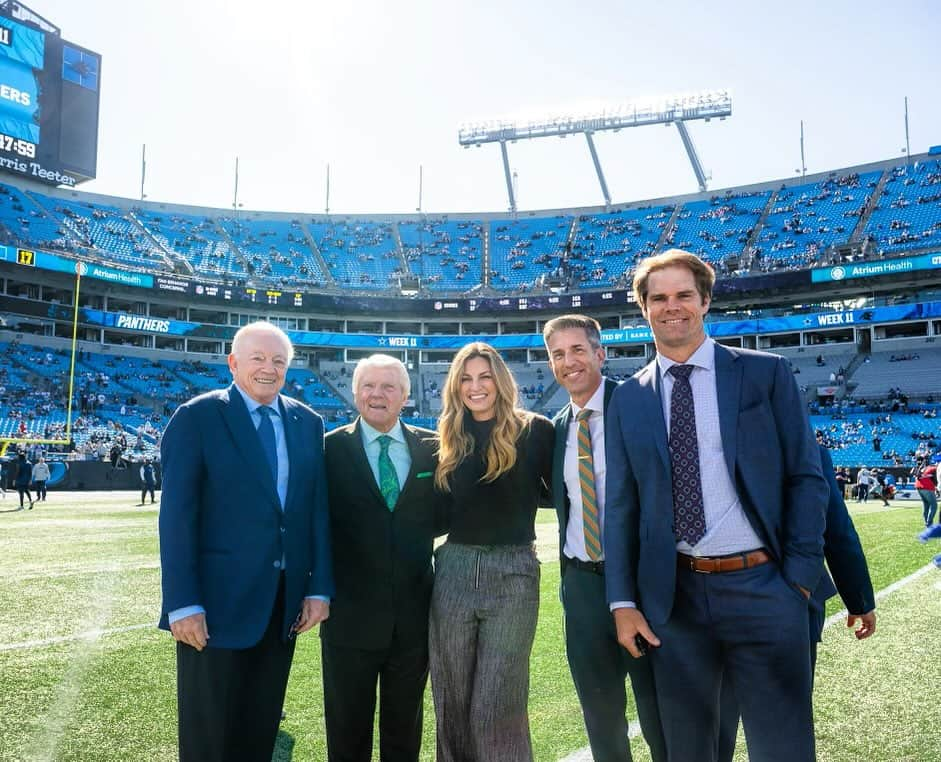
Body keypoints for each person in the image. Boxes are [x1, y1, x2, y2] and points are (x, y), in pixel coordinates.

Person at [604, 249, 827, 762]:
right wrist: (623, 603)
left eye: (684, 295)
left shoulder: (764, 373)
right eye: (658, 298)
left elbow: (805, 476)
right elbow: (621, 507)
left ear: (705, 301)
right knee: (690, 750)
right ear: (643, 308)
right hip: (674, 600)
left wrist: (797, 579)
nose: (671, 307)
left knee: (782, 747)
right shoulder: (629, 399)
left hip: (765, 586)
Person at [158, 321, 334, 762]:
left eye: (278, 361)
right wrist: (182, 603)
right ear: (234, 363)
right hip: (214, 607)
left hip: (281, 607)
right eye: (257, 358)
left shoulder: (306, 422)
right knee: (209, 736)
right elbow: (177, 518)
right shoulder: (198, 416)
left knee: (260, 727)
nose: (268, 368)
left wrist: (317, 588)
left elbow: (315, 512)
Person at [543, 314, 666, 762]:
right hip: (582, 585)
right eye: (558, 354)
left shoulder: (638, 404)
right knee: (600, 712)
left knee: (658, 712)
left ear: (600, 353)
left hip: (640, 581)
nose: (568, 361)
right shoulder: (556, 427)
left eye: (577, 350)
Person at [429, 342, 553, 762]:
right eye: (465, 378)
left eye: (484, 377)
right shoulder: (447, 435)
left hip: (513, 572)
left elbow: (562, 493)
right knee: (451, 696)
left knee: (497, 702)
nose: (475, 386)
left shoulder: (535, 430)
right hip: (454, 569)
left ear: (500, 381)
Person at [321, 354, 447, 762]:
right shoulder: (327, 449)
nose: (378, 394)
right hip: (348, 621)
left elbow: (447, 513)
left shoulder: (432, 447)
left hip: (413, 620)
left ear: (406, 395)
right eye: (369, 386)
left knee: (404, 735)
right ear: (355, 392)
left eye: (389, 386)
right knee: (346, 734)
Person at [716, 444, 876, 760]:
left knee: (716, 723)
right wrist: (859, 600)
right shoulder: (805, 448)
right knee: (781, 725)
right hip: (788, 600)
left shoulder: (698, 441)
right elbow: (837, 528)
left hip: (721, 601)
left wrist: (859, 599)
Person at [915, 459, 938, 527]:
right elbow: (936, 479)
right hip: (927, 487)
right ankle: (929, 523)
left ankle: (926, 522)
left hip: (918, 486)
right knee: (934, 505)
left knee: (926, 505)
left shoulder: (925, 468)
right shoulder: (935, 468)